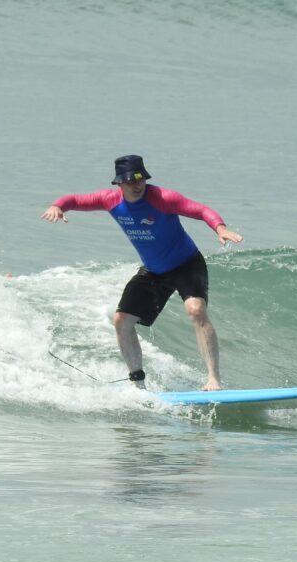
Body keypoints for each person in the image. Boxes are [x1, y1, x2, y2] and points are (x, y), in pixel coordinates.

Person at [42, 155, 243, 391]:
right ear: (119, 183)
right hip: (154, 271)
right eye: (130, 181)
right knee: (122, 320)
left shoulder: (164, 198)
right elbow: (75, 199)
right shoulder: (110, 200)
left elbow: (201, 210)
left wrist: (219, 227)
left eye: (141, 179)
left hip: (187, 263)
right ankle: (139, 385)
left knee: (196, 310)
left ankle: (213, 379)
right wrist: (58, 206)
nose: (137, 185)